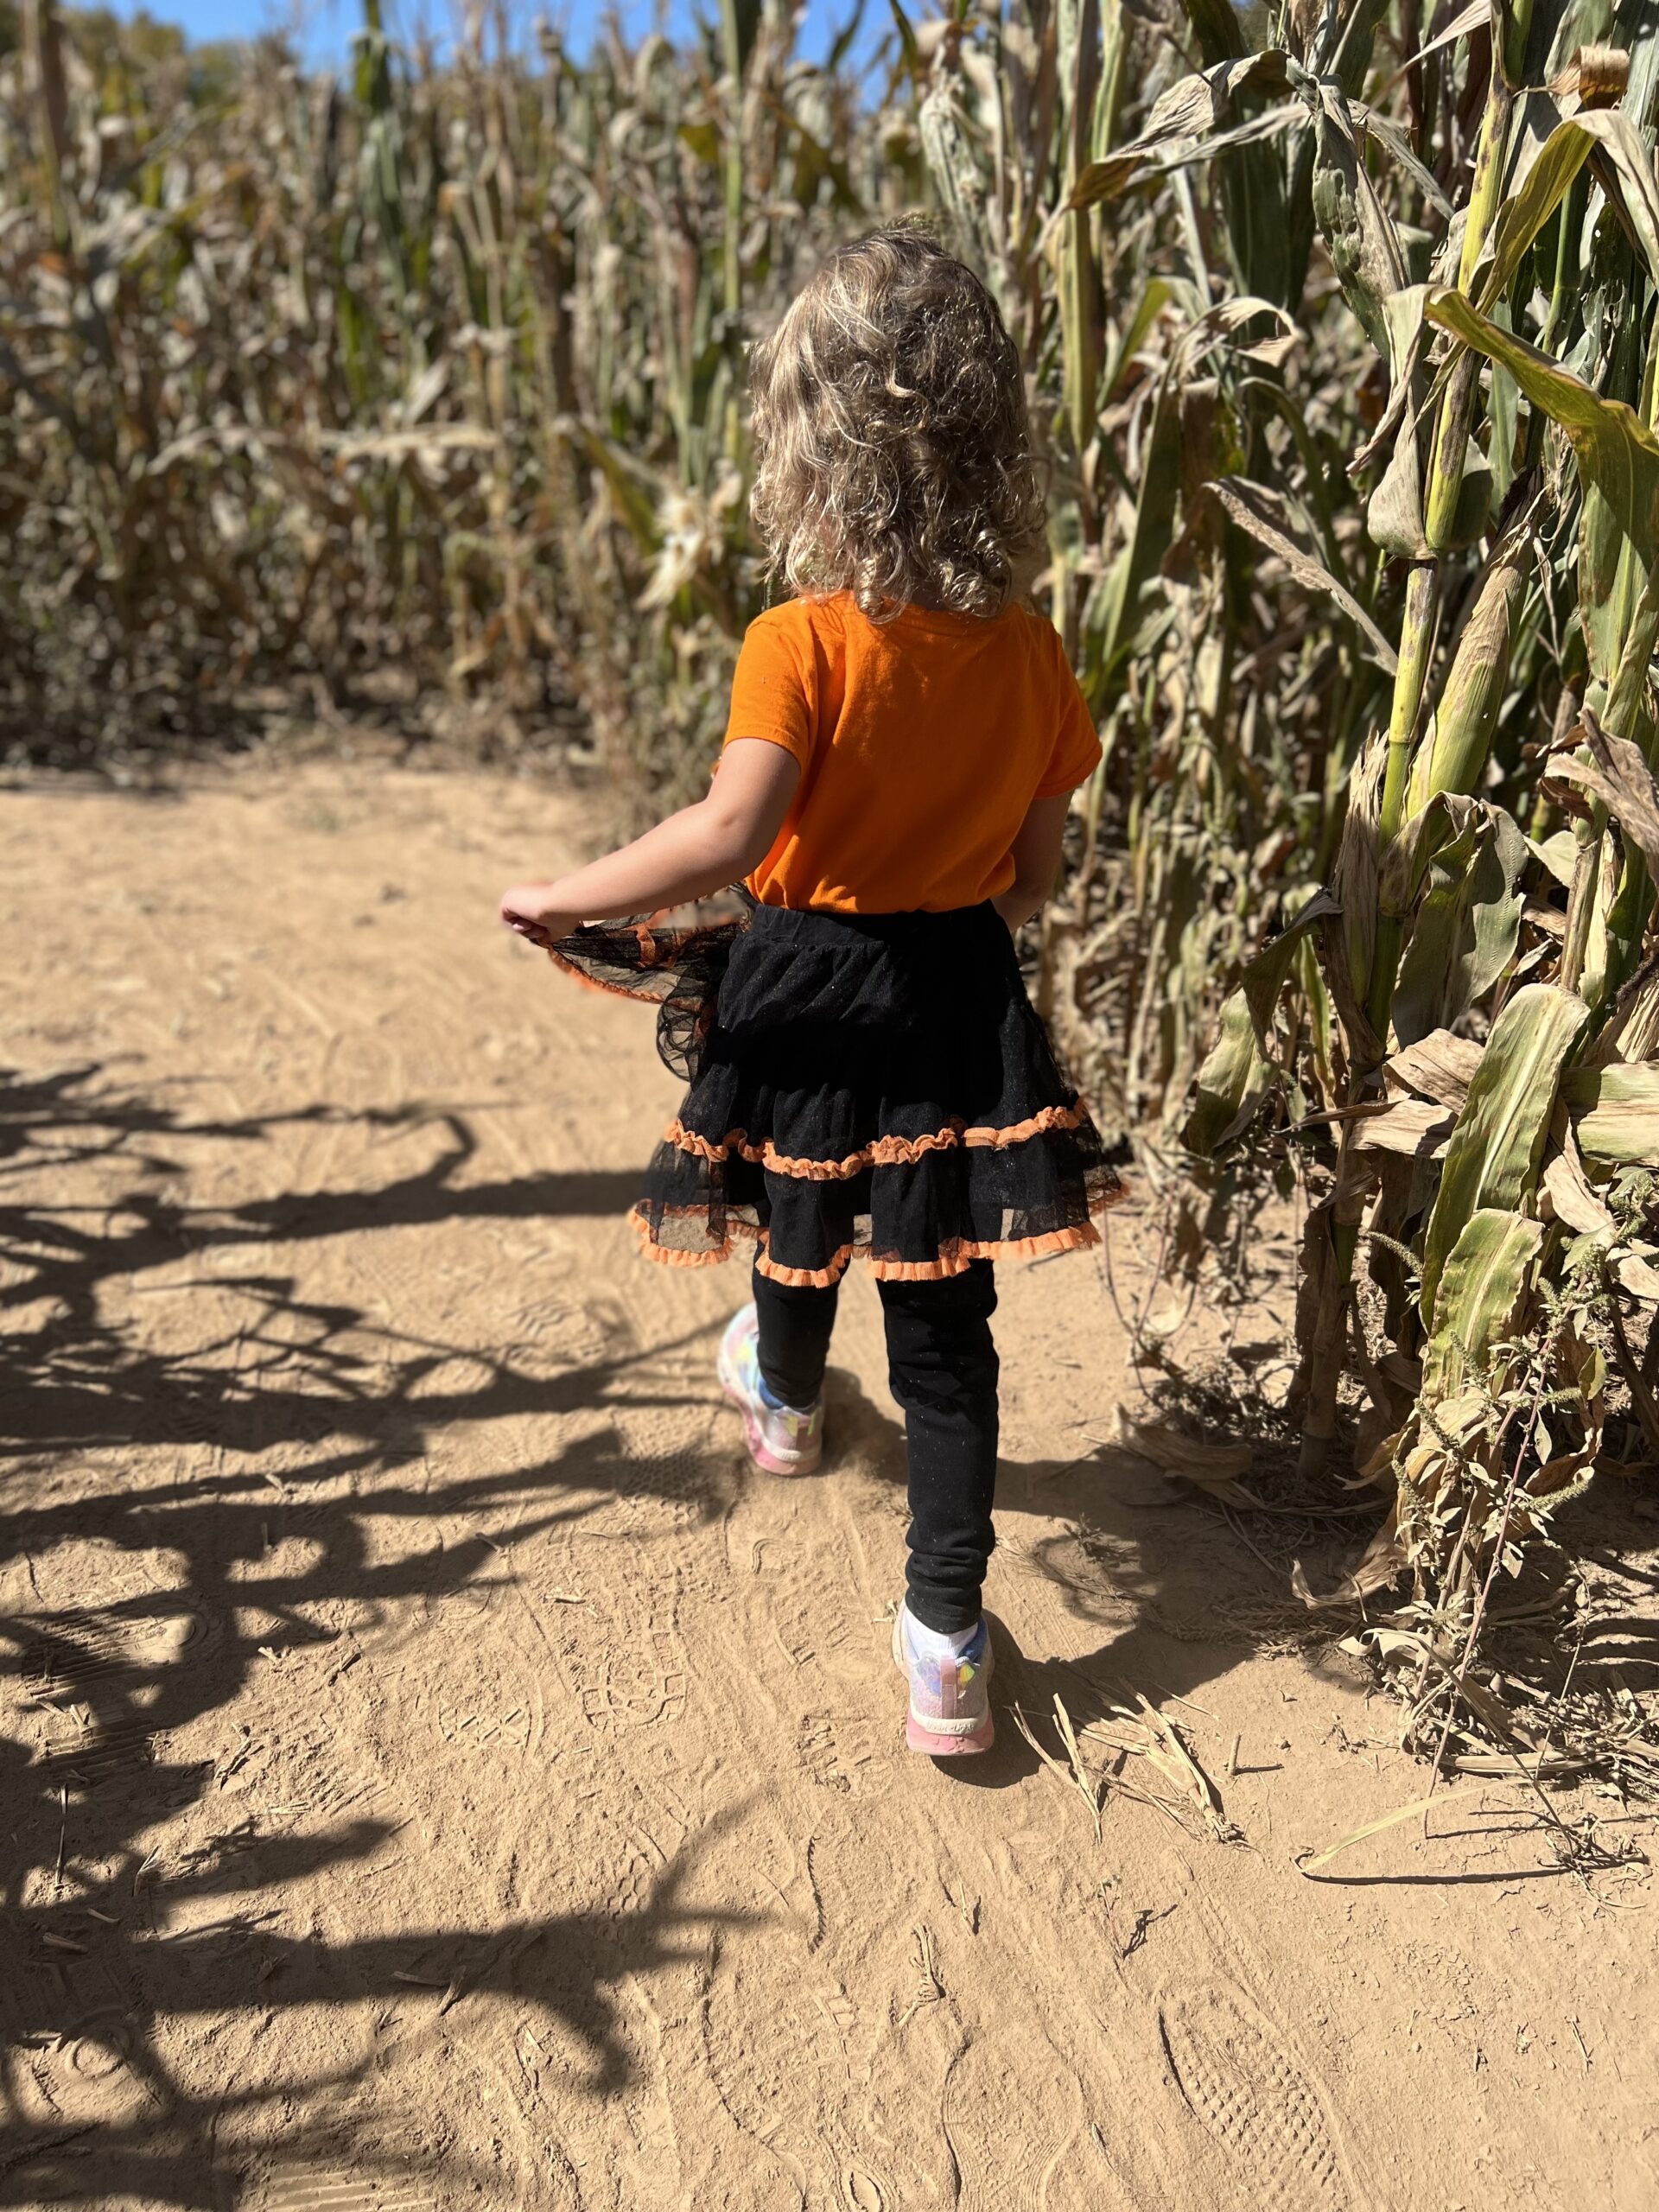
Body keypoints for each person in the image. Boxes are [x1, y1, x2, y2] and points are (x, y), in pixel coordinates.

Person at [499, 226, 1122, 1757]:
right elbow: (1033, 878)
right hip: (954, 988)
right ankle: (948, 1646)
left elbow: (730, 832)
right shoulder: (1036, 656)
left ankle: (781, 1404)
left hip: (803, 974)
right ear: (987, 442)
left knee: (795, 1209)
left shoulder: (798, 643)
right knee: (943, 1316)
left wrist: (561, 894)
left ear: (807, 445)